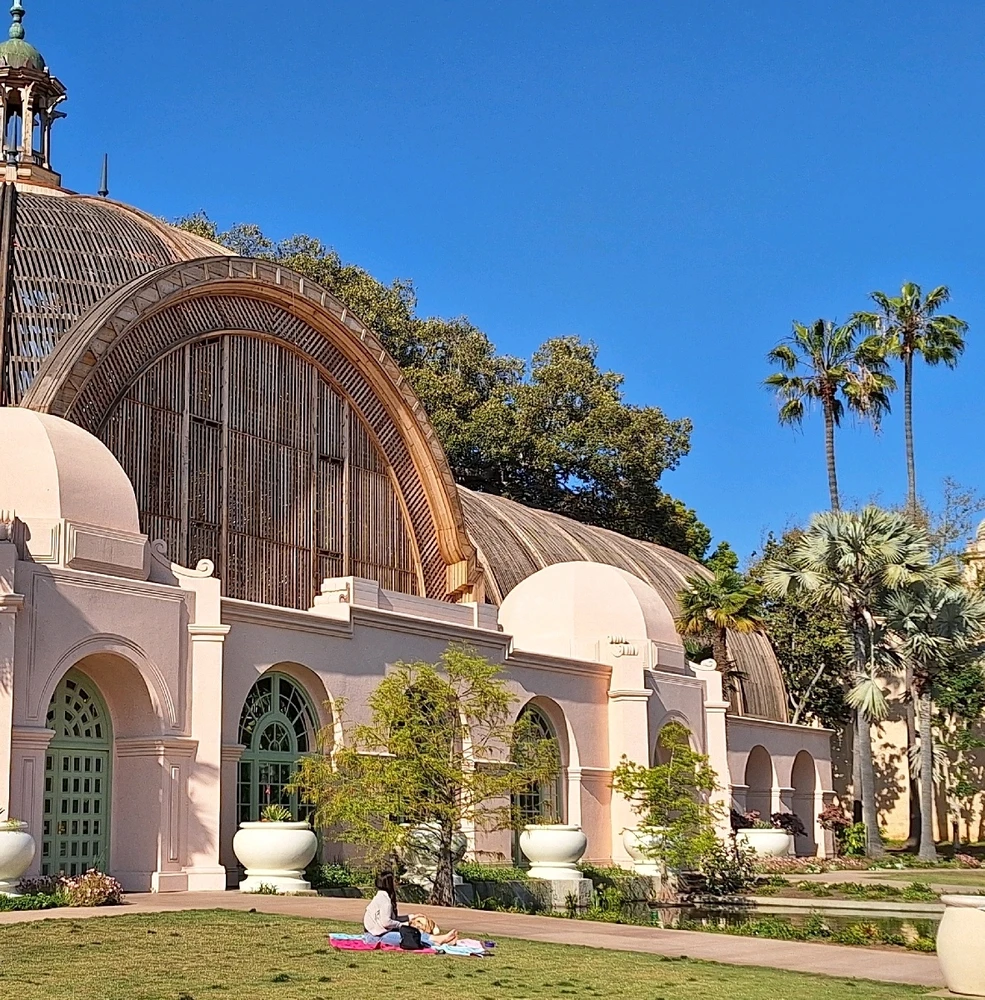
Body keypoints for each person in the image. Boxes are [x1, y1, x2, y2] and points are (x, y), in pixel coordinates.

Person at [362, 872, 459, 947]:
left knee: (411, 932)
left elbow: (392, 919)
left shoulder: (381, 897)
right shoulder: (384, 901)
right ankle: (438, 941)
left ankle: (439, 940)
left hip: (376, 934)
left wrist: (411, 917)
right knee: (409, 936)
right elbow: (386, 922)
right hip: (375, 937)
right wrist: (403, 925)